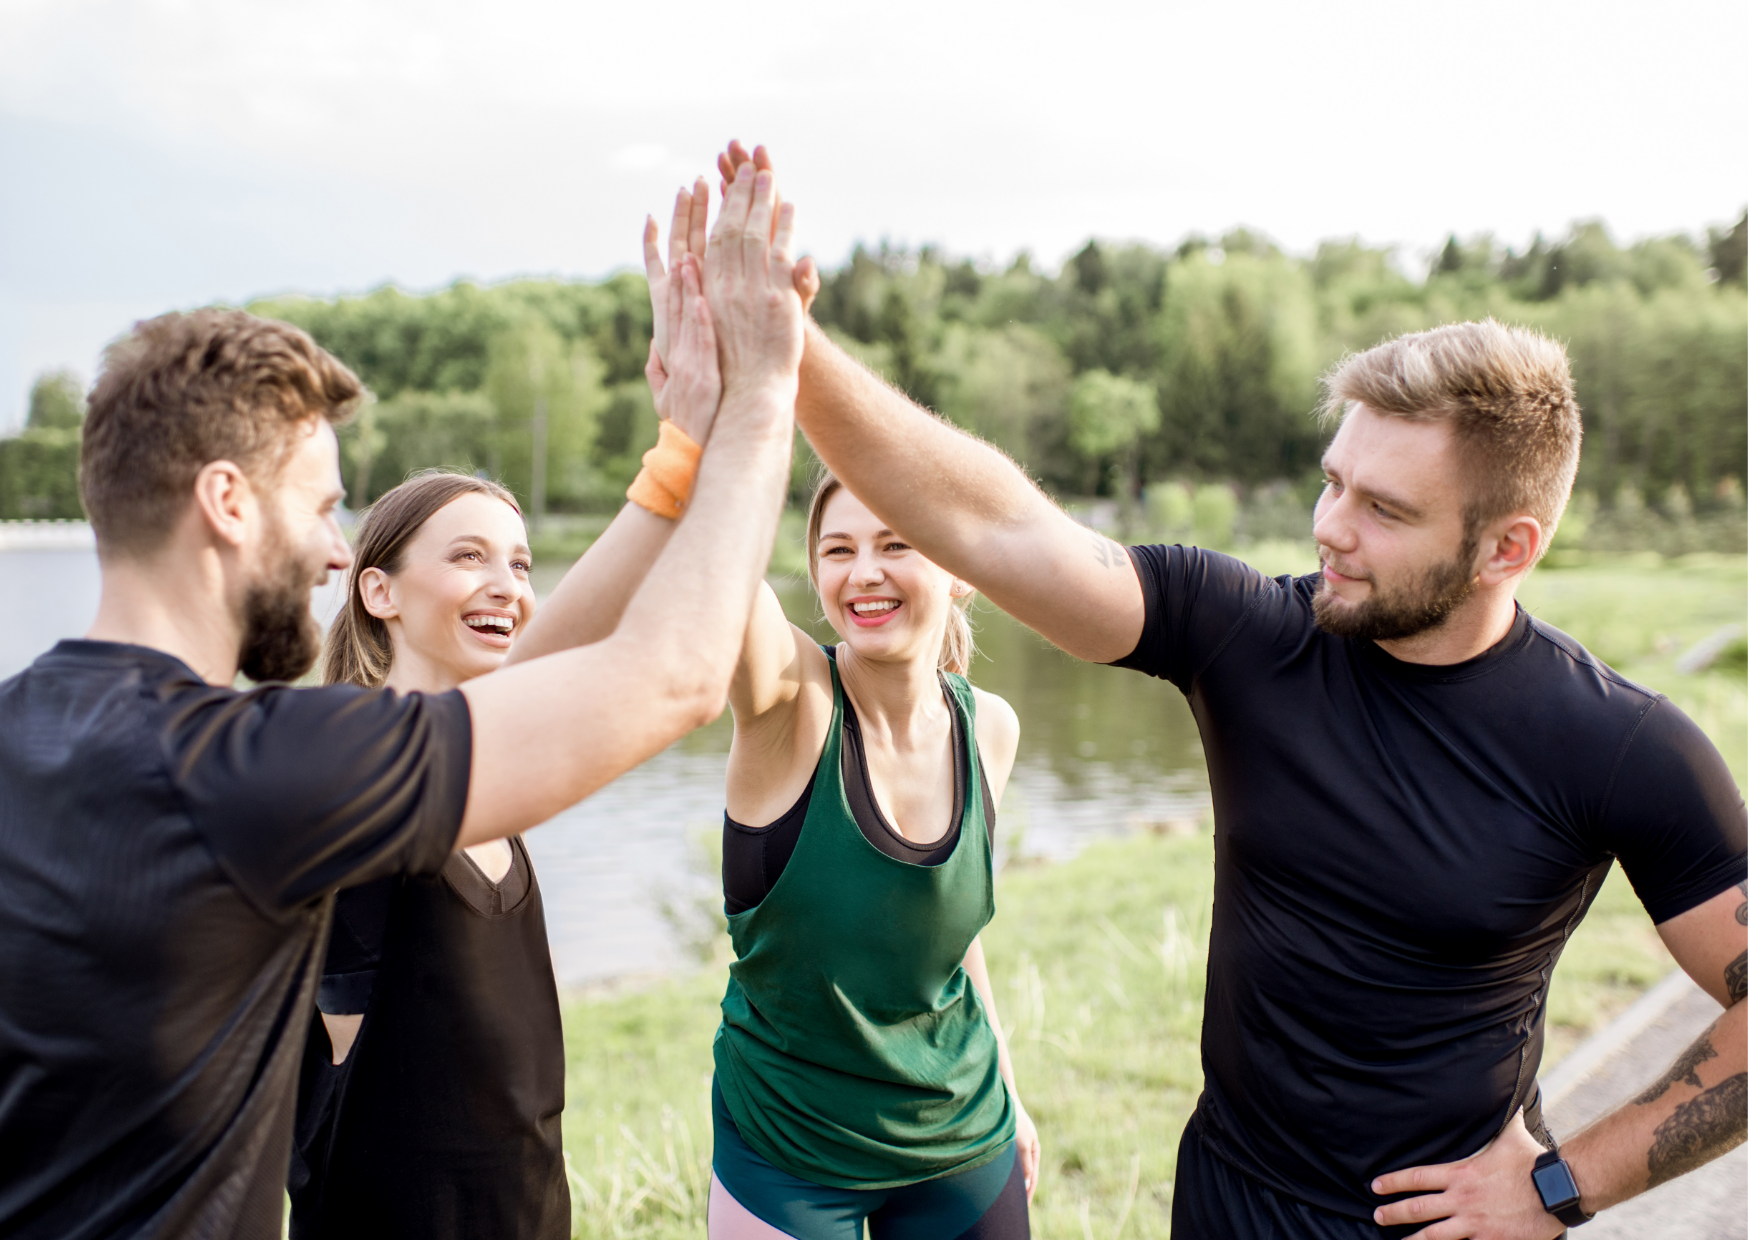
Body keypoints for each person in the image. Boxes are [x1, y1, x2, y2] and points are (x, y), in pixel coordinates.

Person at [711, 143, 1745, 1240]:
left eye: (1383, 511)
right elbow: (999, 529)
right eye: (1331, 480)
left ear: (1505, 547)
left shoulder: (1620, 745)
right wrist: (791, 353)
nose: (1328, 525)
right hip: (1220, 1206)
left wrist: (1564, 1180)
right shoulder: (1247, 634)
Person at [0, 158, 805, 1239]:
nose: (335, 552)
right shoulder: (249, 770)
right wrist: (760, 402)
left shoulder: (22, 730)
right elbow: (673, 677)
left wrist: (678, 454)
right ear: (227, 502)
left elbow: (516, 688)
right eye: (323, 507)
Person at [706, 473, 1036, 1240]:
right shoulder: (789, 699)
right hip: (788, 1147)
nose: (864, 573)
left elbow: (949, 936)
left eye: (897, 545)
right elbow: (722, 579)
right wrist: (718, 419)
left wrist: (1011, 1093)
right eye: (838, 550)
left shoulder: (989, 727)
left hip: (960, 1132)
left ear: (957, 569)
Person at [284, 471, 564, 1238]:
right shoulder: (355, 776)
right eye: (470, 557)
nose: (506, 586)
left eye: (520, 564)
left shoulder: (485, 770)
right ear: (381, 593)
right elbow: (343, 1041)